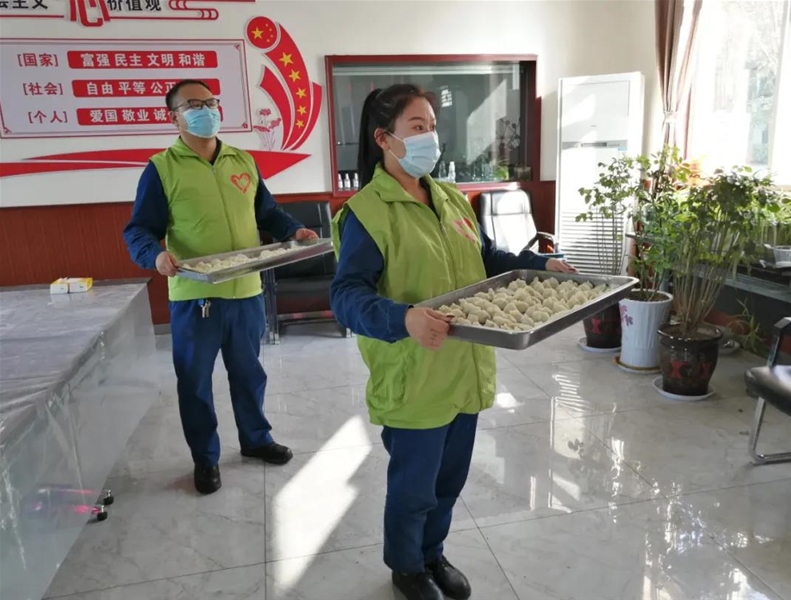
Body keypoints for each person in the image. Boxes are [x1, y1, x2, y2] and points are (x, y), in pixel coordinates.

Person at [329, 84, 575, 600]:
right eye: (417, 127)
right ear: (384, 139)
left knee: (448, 481)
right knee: (413, 487)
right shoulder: (367, 212)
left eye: (433, 127)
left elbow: (486, 260)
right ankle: (406, 567)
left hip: (464, 369)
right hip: (415, 374)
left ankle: (432, 554)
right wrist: (404, 318)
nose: (430, 138)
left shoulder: (449, 198)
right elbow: (346, 296)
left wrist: (539, 265)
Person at [123, 79, 318, 495]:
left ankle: (256, 439)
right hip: (196, 297)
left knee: (249, 373)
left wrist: (293, 230)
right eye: (193, 105)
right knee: (195, 382)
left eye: (211, 102)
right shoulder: (161, 168)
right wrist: (155, 256)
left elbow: (267, 211)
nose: (206, 111)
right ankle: (205, 458)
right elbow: (139, 229)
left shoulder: (241, 160)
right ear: (173, 117)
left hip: (246, 290)